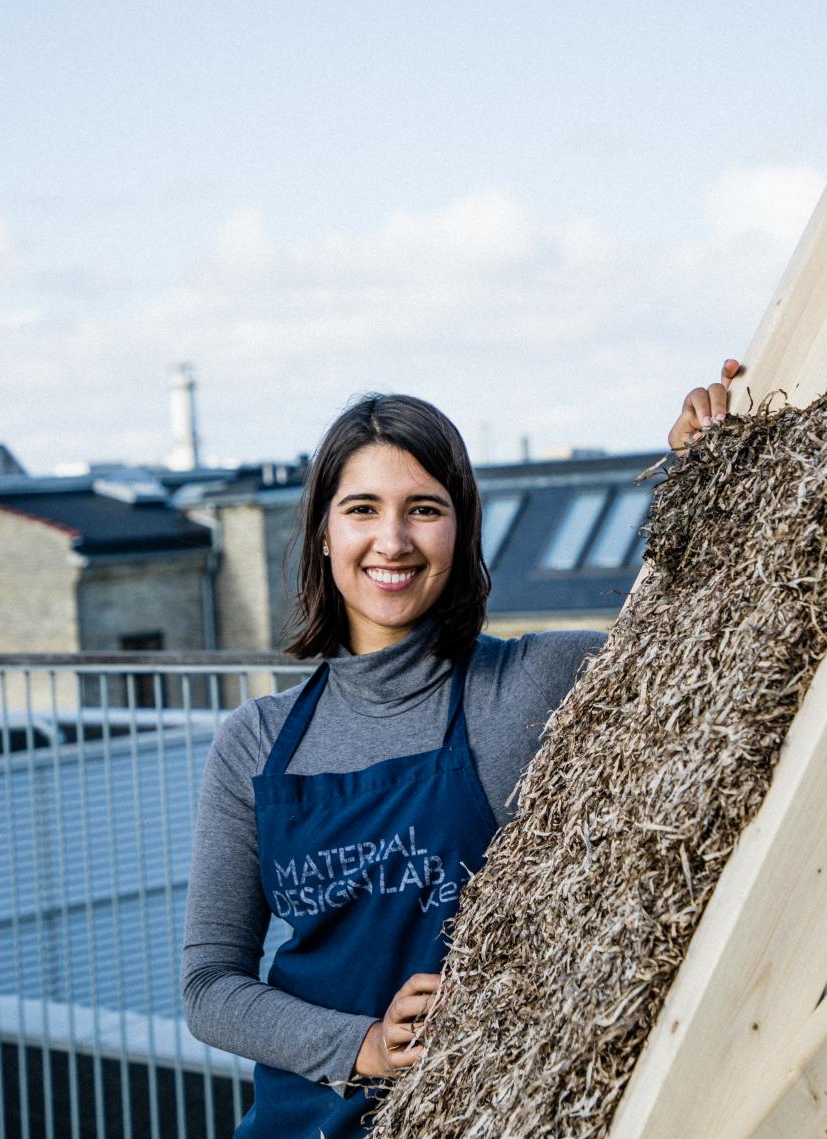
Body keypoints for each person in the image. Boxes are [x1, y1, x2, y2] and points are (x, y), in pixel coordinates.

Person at [181, 362, 743, 1138]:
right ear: (323, 533)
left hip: (482, 1119)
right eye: (363, 509)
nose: (393, 540)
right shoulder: (256, 741)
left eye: (424, 509)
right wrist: (365, 1044)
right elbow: (209, 986)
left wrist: (704, 462)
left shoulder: (531, 681)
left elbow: (702, 626)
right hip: (297, 1122)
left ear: (462, 526)